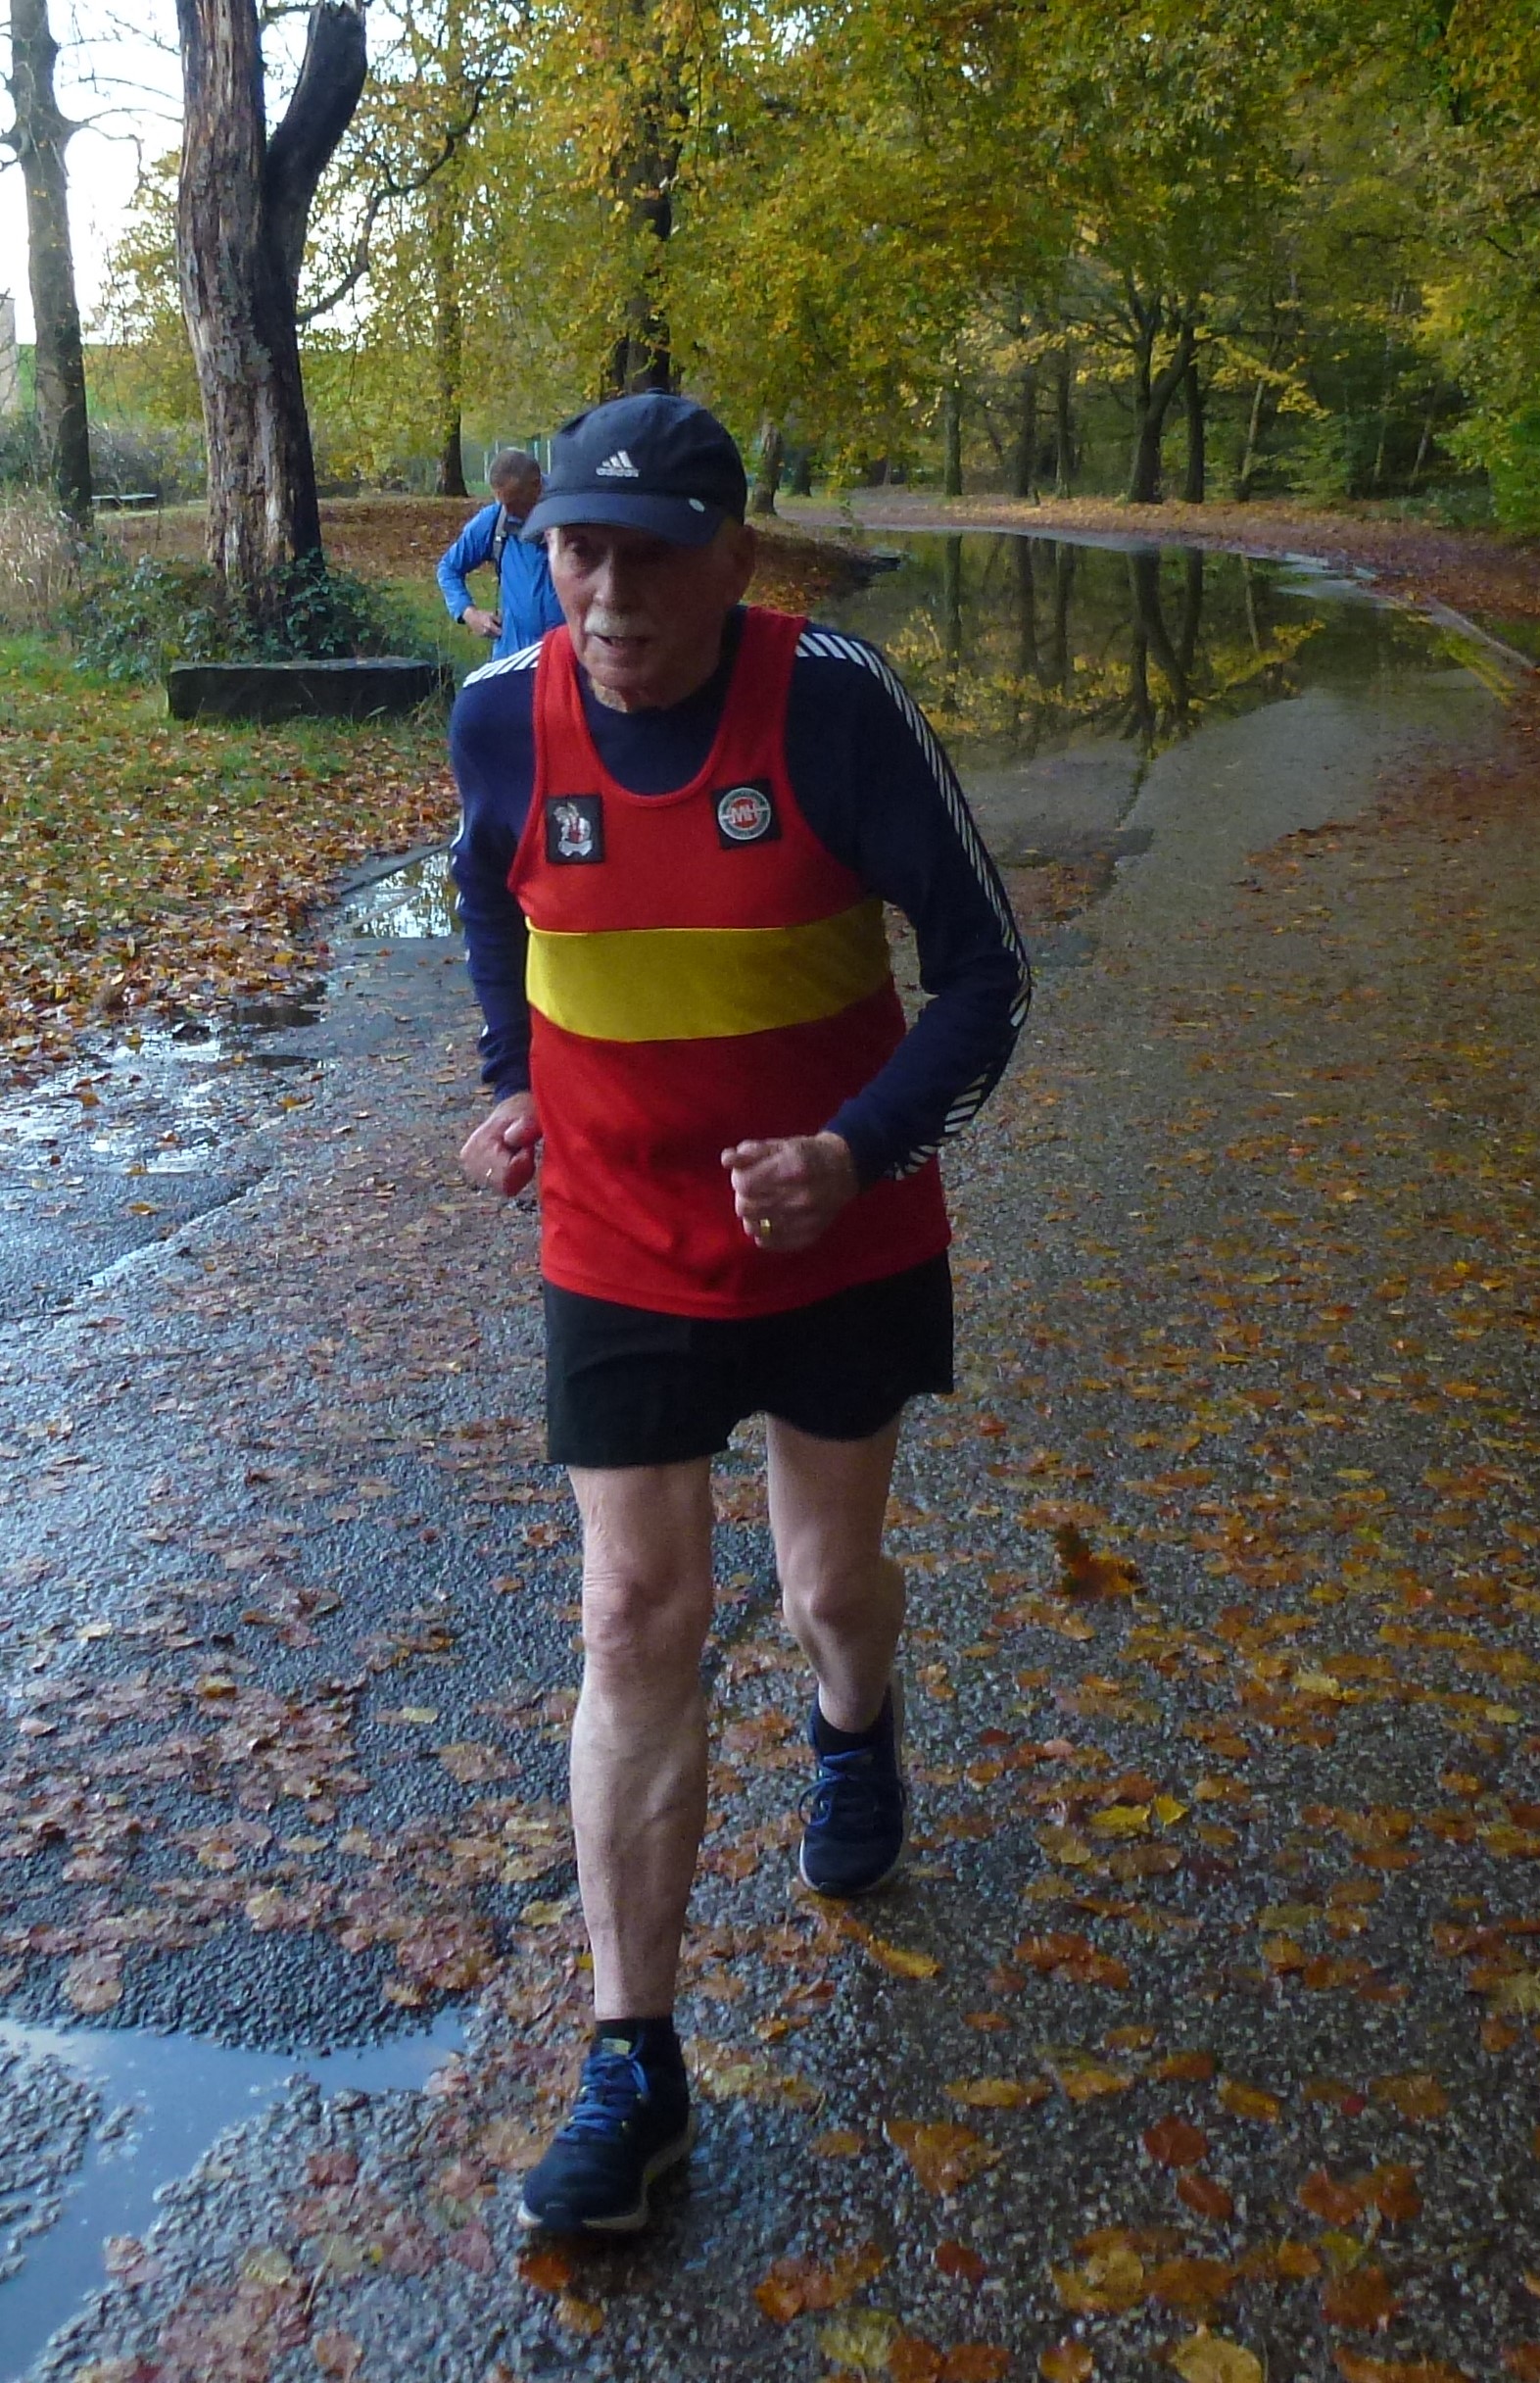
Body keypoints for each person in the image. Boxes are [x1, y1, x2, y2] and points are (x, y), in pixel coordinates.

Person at [450, 390, 1030, 2236]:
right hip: (617, 1238)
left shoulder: (832, 701)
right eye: (577, 552)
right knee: (634, 1613)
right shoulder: (497, 714)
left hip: (837, 1235)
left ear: (734, 558)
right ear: (542, 550)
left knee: (823, 1582)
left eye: (649, 556)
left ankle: (855, 1724)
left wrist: (855, 1153)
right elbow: (491, 896)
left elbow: (988, 975)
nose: (608, 595)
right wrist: (512, 1072)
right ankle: (633, 2065)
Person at [436, 447, 565, 657]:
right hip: (512, 657)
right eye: (502, 503)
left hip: (569, 660)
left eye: (514, 503)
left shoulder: (573, 514)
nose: (508, 511)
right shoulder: (496, 519)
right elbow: (449, 568)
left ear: (536, 485)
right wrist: (469, 614)